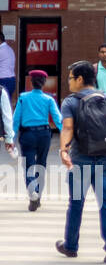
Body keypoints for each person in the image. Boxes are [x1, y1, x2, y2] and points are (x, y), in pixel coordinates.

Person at [56, 60, 106, 263]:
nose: (68, 82)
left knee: (76, 203)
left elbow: (67, 128)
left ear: (79, 79)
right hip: (105, 159)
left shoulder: (70, 101)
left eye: (70, 78)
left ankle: (70, 246)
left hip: (81, 159)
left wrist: (63, 151)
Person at [11, 70, 60, 210]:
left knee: (28, 165)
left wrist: (11, 138)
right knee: (41, 164)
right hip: (44, 134)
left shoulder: (22, 98)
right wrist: (66, 136)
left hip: (27, 135)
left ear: (31, 82)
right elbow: (58, 119)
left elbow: (16, 120)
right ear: (44, 83)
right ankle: (37, 194)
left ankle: (33, 191)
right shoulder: (49, 99)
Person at [0, 30, 16, 101]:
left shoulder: (1, 50)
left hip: (3, 80)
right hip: (11, 80)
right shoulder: (9, 49)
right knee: (6, 104)